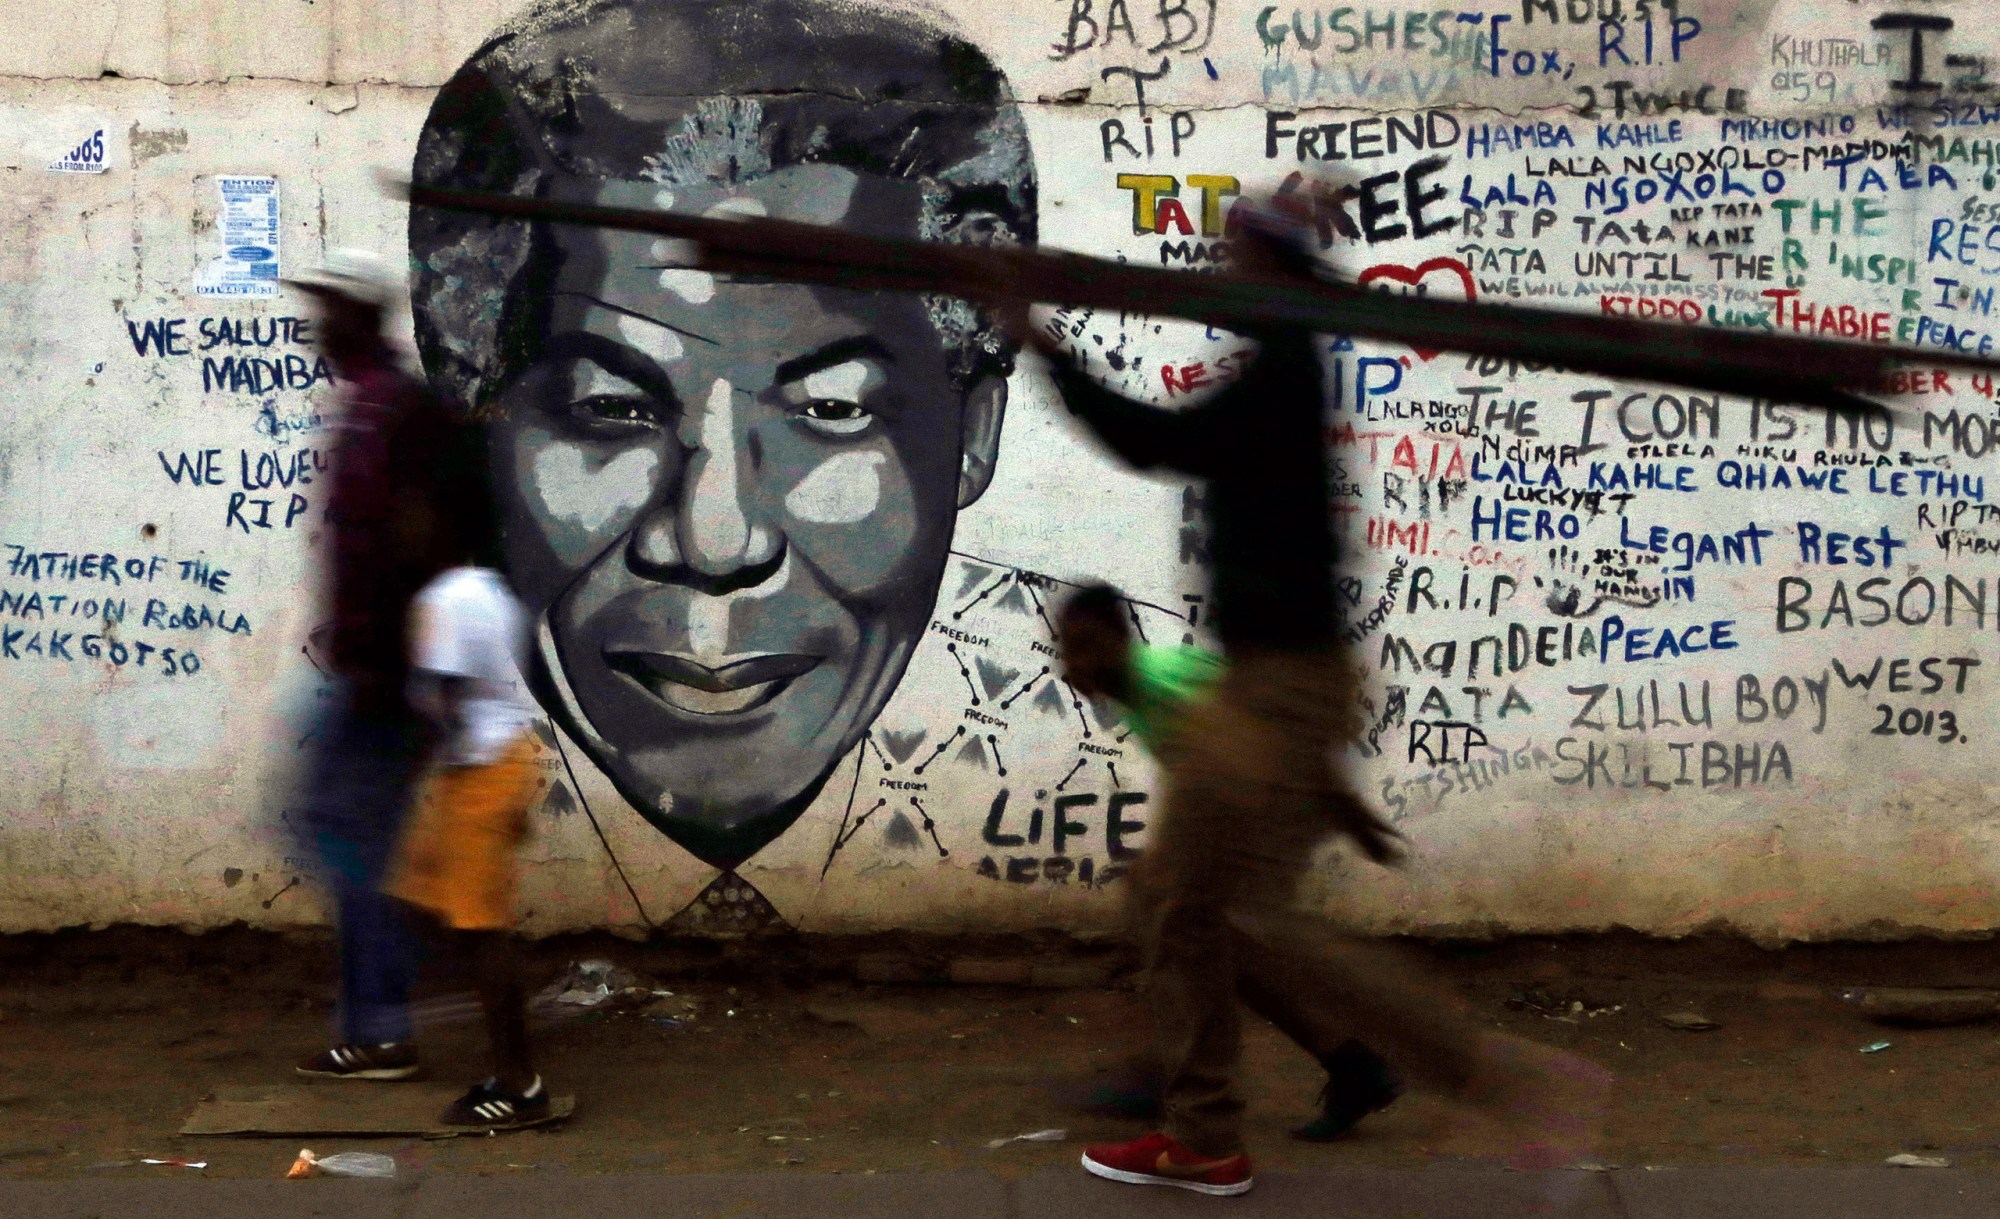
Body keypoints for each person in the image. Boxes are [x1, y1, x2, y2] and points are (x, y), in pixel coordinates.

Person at [1005, 204, 1611, 1196]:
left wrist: (1043, 347)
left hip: (1280, 685)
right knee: (1178, 906)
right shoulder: (1278, 368)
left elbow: (1152, 442)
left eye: (1238, 257)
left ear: (1271, 273)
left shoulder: (1278, 371)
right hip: (1268, 685)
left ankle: (1502, 1082)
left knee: (1239, 917)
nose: (1219, 273)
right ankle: (1202, 1136)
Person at [405, 0, 1036, 902]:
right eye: (613, 411)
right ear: (478, 423)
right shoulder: (366, 727)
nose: (715, 539)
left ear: (972, 436)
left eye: (829, 407)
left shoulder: (1101, 704)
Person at [1055, 582, 1405, 1143]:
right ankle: (1352, 1065)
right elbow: (1198, 770)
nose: (1075, 665)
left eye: (1086, 646)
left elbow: (1257, 743)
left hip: (1267, 806)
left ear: (1120, 640)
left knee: (1186, 933)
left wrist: (1341, 806)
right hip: (1249, 807)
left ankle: (1179, 1083)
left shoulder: (1162, 680)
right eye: (1066, 649)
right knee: (1215, 948)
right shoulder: (1140, 690)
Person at [288, 250, 461, 1082]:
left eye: (326, 308)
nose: (313, 324)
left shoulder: (398, 410)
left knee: (347, 834)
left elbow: (417, 542)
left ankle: (384, 1023)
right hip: (370, 665)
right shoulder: (368, 404)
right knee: (342, 830)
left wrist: (393, 658)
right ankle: (387, 996)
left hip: (387, 674)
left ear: (360, 314)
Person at [384, 462, 551, 1128]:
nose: (402, 531)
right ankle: (401, 1032)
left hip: (480, 771)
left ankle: (520, 1082)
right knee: (425, 903)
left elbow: (445, 705)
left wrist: (397, 776)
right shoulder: (489, 589)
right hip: (486, 768)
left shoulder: (448, 600)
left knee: (481, 928)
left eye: (412, 519)